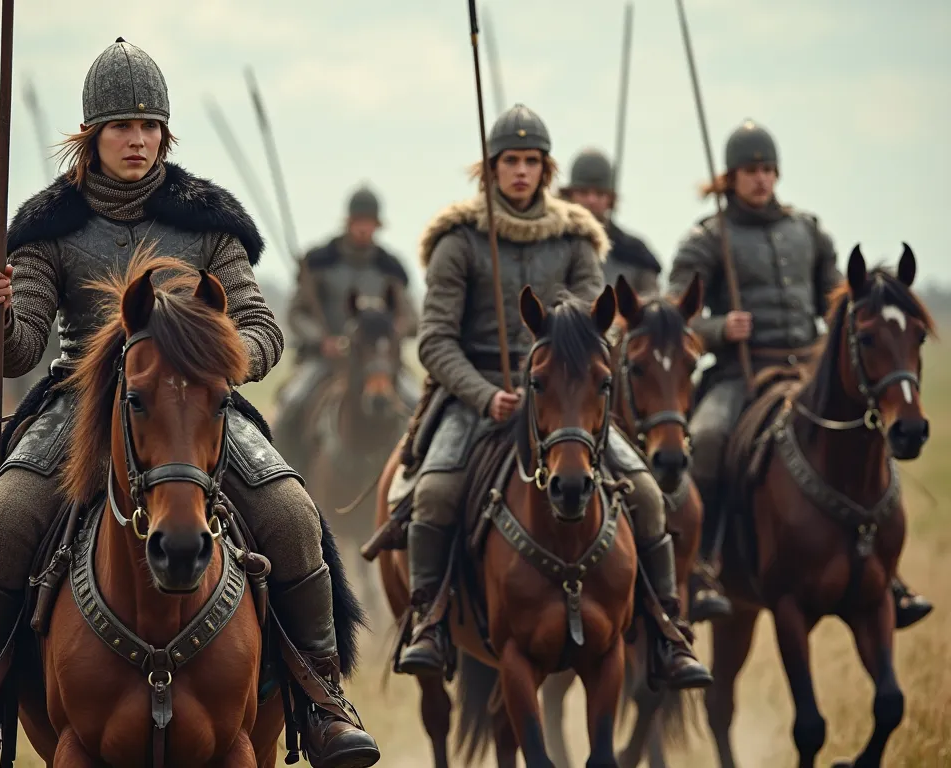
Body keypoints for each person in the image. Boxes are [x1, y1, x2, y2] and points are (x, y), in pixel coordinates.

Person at [0, 37, 379, 768]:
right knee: (5, 521)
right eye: (120, 127)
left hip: (198, 405)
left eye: (148, 127)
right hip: (83, 402)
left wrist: (222, 364)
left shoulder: (207, 220)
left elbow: (261, 327)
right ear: (91, 136)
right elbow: (19, 351)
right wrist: (1, 315)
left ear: (164, 134)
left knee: (292, 513)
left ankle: (322, 699)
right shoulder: (49, 225)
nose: (136, 140)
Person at [396, 103, 712, 691]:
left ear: (546, 168)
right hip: (476, 394)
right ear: (490, 169)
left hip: (564, 400)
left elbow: (600, 324)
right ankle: (430, 623)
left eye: (531, 161)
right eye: (510, 161)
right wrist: (486, 394)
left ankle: (668, 630)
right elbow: (435, 340)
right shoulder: (458, 240)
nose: (521, 171)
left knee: (645, 492)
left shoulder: (575, 237)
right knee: (434, 492)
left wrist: (565, 384)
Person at [668, 119, 931, 628]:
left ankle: (887, 574)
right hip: (738, 374)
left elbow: (842, 302)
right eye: (750, 171)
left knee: (863, 434)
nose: (761, 180)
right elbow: (679, 315)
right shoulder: (707, 239)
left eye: (768, 170)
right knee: (707, 438)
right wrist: (722, 327)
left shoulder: (806, 231)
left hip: (806, 372)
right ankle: (704, 565)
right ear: (730, 177)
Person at [273, 186, 419, 472]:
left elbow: (410, 318)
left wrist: (389, 337)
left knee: (417, 406)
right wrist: (321, 339)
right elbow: (296, 314)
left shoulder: (390, 269)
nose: (363, 229)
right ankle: (282, 476)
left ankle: (411, 477)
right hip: (324, 360)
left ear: (377, 225)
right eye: (358, 222)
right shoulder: (319, 263)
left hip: (378, 364)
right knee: (291, 403)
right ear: (349, 222)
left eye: (369, 223)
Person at [560, 147, 661, 295]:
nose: (591, 200)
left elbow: (652, 304)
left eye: (599, 193)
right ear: (570, 195)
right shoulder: (553, 246)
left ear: (610, 199)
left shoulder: (635, 253)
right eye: (583, 192)